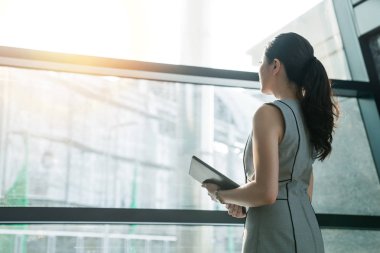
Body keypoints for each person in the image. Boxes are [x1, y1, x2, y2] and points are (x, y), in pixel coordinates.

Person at [202, 32, 339, 253]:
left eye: (260, 62)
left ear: (275, 65)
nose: (258, 69)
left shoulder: (268, 114)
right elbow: (302, 191)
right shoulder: (310, 116)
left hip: (274, 234)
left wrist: (220, 194)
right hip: (307, 232)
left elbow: (266, 192)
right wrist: (246, 202)